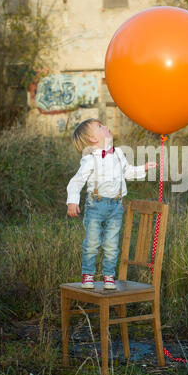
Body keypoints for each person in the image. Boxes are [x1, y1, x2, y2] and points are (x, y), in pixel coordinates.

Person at [66, 118, 158, 290]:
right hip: (96, 205)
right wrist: (72, 201)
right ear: (93, 139)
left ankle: (109, 275)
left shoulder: (118, 154)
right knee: (92, 242)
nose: (106, 126)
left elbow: (128, 172)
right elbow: (76, 182)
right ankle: (88, 275)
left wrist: (143, 168)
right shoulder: (89, 159)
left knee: (111, 243)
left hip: (116, 206)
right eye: (100, 126)